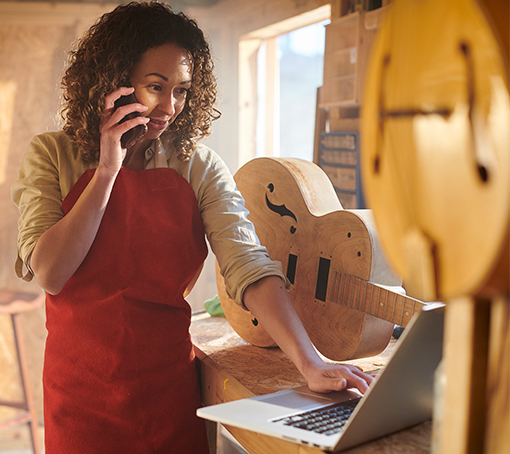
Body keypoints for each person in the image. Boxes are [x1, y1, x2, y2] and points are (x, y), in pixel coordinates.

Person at [11, 2, 374, 453]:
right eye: (155, 87)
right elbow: (51, 272)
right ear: (114, 84)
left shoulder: (198, 166)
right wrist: (108, 169)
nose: (170, 107)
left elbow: (248, 264)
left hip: (167, 392)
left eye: (182, 90)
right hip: (80, 397)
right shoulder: (52, 155)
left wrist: (311, 362)